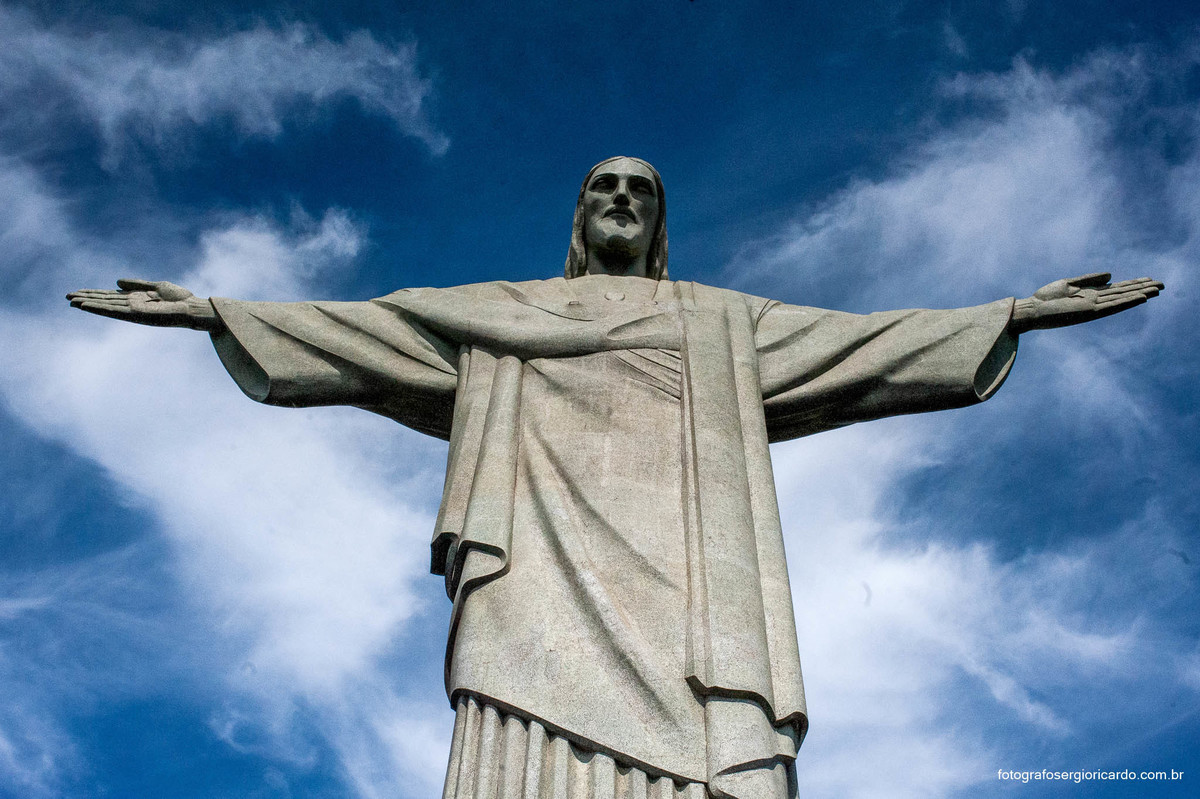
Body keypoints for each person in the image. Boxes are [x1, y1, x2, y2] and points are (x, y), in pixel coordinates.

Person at [68, 157, 1163, 799]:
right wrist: (218, 310)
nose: (623, 198)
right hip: (536, 592)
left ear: (661, 221)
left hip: (691, 601)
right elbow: (366, 331)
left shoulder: (718, 324)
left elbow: (864, 345)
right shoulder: (499, 316)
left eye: (641, 188)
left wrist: (1009, 311)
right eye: (604, 186)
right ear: (581, 218)